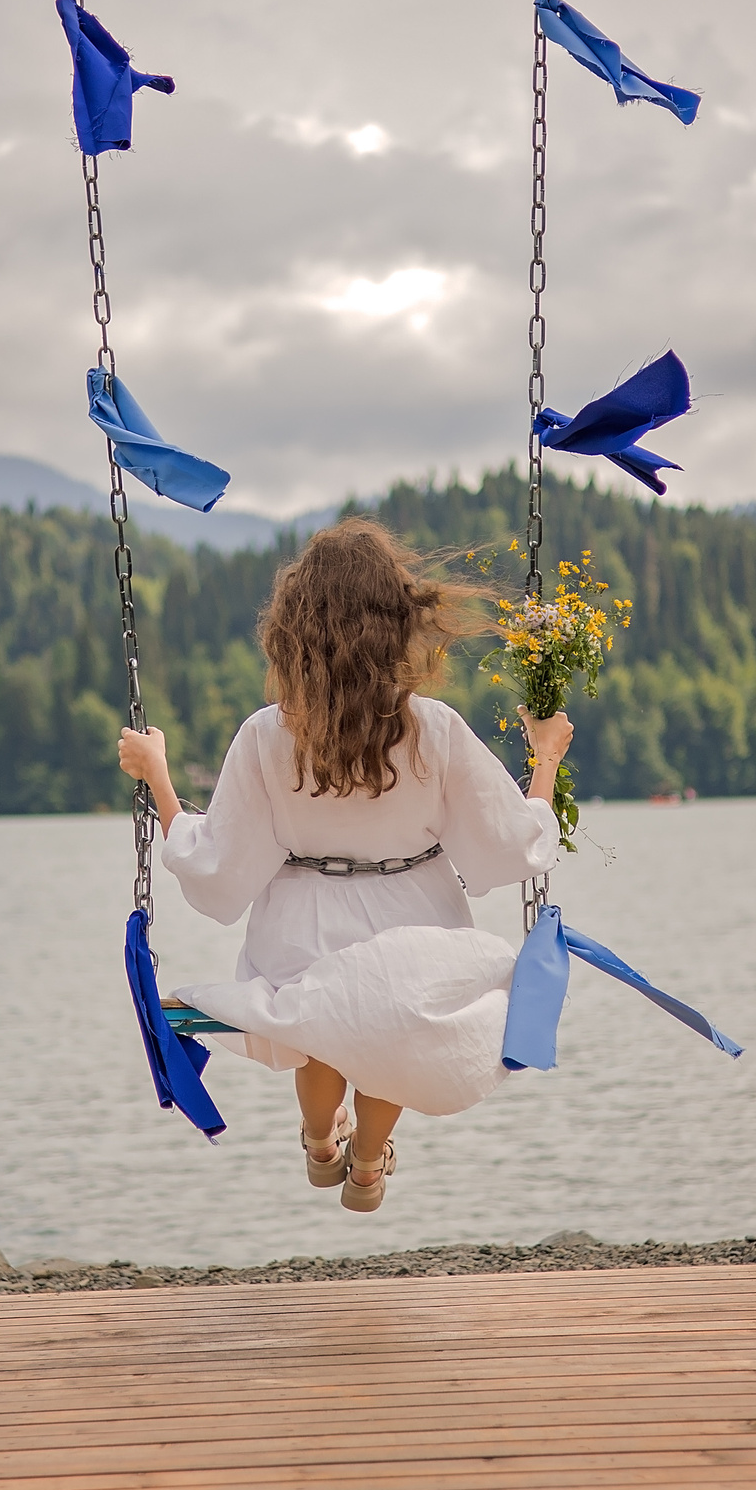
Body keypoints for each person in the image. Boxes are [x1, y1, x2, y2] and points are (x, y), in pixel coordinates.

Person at [116, 519, 572, 1212]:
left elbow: (216, 862)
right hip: (414, 920)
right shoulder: (433, 728)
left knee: (323, 1022)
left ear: (295, 628)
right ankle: (365, 1163)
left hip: (301, 923)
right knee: (388, 1020)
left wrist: (159, 778)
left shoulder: (269, 734)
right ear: (396, 622)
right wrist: (545, 758)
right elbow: (513, 839)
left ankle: (322, 1139)